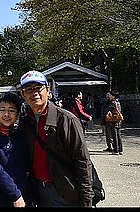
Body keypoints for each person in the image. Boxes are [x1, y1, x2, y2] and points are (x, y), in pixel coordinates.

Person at [18, 70, 94, 207]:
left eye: (38, 88)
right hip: (39, 191)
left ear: (48, 90)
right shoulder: (26, 122)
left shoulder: (66, 119)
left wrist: (87, 198)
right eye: (28, 89)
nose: (34, 93)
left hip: (64, 191)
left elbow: (82, 160)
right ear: (23, 95)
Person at [0, 93, 34, 207]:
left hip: (25, 193)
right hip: (1, 195)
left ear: (18, 113)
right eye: (1, 110)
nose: (6, 114)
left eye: (11, 110)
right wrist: (15, 194)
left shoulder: (22, 134)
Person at [103, 91, 123, 155]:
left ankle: (116, 150)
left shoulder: (112, 103)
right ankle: (120, 150)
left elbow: (106, 110)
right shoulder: (118, 102)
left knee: (114, 136)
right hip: (118, 120)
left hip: (113, 121)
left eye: (110, 95)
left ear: (113, 96)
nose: (109, 96)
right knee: (118, 135)